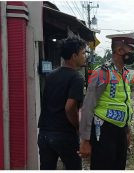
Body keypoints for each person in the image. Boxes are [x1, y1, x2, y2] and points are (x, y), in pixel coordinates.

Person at [78, 31, 134, 170]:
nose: (133, 52)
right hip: (104, 131)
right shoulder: (102, 72)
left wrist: (127, 130)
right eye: (131, 49)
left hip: (120, 131)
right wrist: (85, 140)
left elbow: (125, 103)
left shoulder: (124, 73)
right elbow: (88, 105)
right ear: (119, 50)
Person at [38, 37, 86, 170]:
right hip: (65, 135)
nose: (85, 56)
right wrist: (78, 126)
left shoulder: (51, 75)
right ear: (74, 55)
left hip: (44, 134)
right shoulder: (76, 77)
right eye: (83, 53)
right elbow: (69, 107)